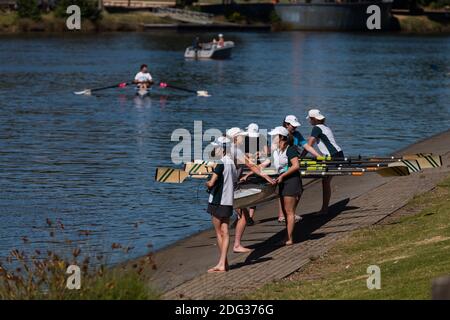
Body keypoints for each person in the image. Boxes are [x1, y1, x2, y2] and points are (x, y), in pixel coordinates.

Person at [226, 127, 275, 253]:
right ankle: (236, 245)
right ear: (236, 138)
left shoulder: (227, 149)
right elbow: (252, 166)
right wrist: (268, 178)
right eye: (242, 136)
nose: (244, 137)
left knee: (241, 214)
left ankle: (235, 243)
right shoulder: (236, 150)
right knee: (241, 216)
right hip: (231, 187)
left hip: (226, 186)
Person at [276, 115, 320, 223]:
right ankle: (282, 215)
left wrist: (318, 156)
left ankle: (290, 212)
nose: (295, 128)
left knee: (299, 190)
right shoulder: (280, 134)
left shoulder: (297, 134)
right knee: (283, 192)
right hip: (283, 166)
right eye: (293, 126)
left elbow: (307, 147)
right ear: (286, 124)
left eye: (296, 126)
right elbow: (275, 151)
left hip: (293, 165)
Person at [303, 109, 344, 215]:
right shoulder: (325, 126)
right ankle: (325, 208)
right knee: (326, 181)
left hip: (332, 157)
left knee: (325, 181)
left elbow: (309, 144)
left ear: (313, 119)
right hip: (339, 153)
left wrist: (300, 157)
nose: (309, 121)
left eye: (310, 119)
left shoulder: (316, 128)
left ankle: (324, 209)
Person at [206, 136, 237, 273]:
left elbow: (211, 183)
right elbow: (233, 181)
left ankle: (222, 264)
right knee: (226, 232)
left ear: (222, 149)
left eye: (216, 147)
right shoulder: (232, 163)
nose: (214, 149)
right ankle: (224, 263)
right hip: (228, 201)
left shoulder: (220, 163)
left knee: (219, 233)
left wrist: (207, 182)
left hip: (218, 201)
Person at [269, 126, 302, 246]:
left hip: (292, 181)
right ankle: (287, 236)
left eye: (274, 136)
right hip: (282, 181)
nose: (272, 138)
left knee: (289, 212)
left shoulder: (290, 149)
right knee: (284, 211)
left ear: (282, 137)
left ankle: (289, 239)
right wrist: (252, 171)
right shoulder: (277, 150)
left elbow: (296, 165)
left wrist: (283, 176)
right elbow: (266, 163)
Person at [241, 123, 268, 226]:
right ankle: (243, 217)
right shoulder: (244, 138)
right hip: (245, 166)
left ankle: (250, 217)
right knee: (241, 190)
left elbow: (266, 153)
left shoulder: (261, 138)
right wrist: (247, 155)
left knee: (254, 191)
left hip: (257, 166)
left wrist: (259, 153)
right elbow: (239, 152)